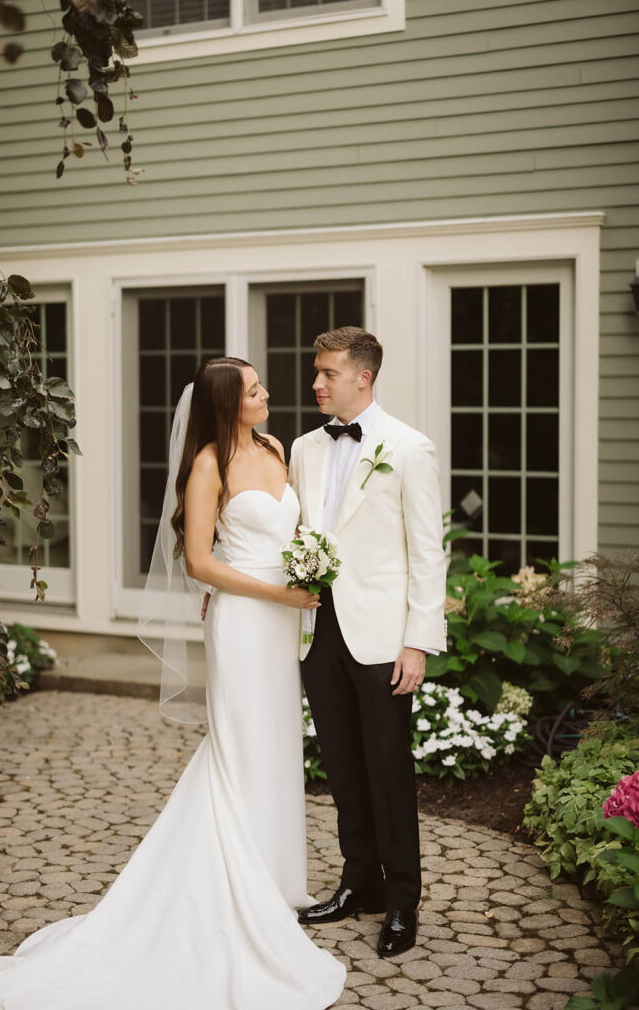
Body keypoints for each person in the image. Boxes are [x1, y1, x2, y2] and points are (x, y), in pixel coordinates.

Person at [0, 357, 346, 1010]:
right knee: (241, 749)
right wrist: (276, 592)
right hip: (244, 621)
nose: (267, 394)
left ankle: (276, 880)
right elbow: (200, 559)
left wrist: (306, 572)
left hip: (281, 622)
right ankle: (231, 894)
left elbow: (293, 530)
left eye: (261, 385)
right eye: (254, 389)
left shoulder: (276, 446)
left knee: (278, 745)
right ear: (228, 403)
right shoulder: (208, 464)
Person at [288, 328, 447, 958]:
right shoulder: (303, 448)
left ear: (363, 377)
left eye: (327, 373)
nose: (316, 383)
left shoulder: (409, 448)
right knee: (342, 767)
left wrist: (418, 642)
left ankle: (403, 900)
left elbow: (427, 554)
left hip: (382, 636)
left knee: (387, 768)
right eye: (316, 372)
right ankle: (360, 883)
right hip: (316, 631)